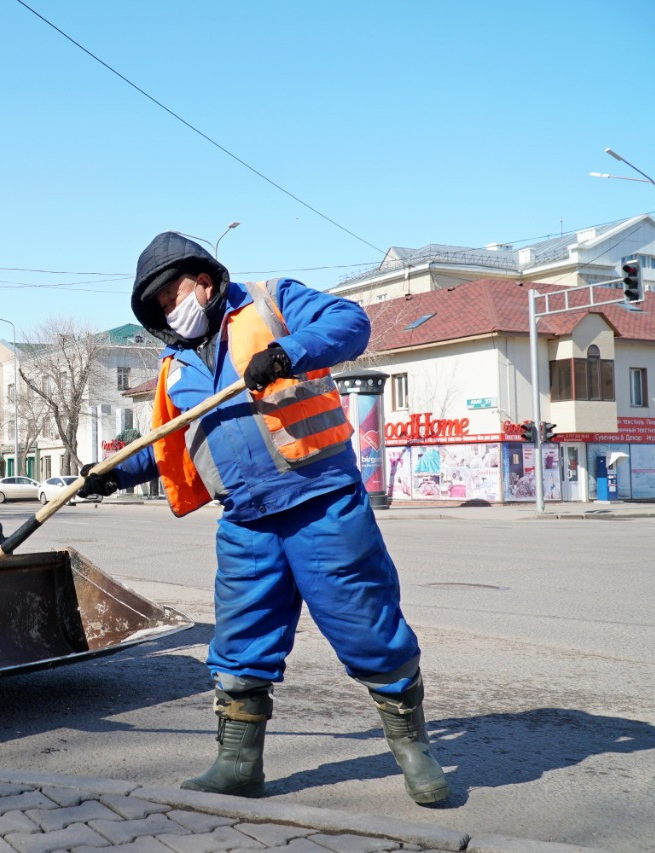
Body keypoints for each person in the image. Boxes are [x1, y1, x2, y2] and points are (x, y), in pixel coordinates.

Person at [79, 231, 448, 805]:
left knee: (367, 625)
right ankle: (238, 764)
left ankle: (414, 751)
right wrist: (111, 474)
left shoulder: (271, 302)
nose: (165, 311)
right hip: (246, 520)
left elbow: (351, 323)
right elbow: (169, 447)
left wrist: (287, 353)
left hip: (321, 502)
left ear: (203, 280)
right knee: (241, 641)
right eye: (154, 307)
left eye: (168, 294)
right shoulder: (175, 367)